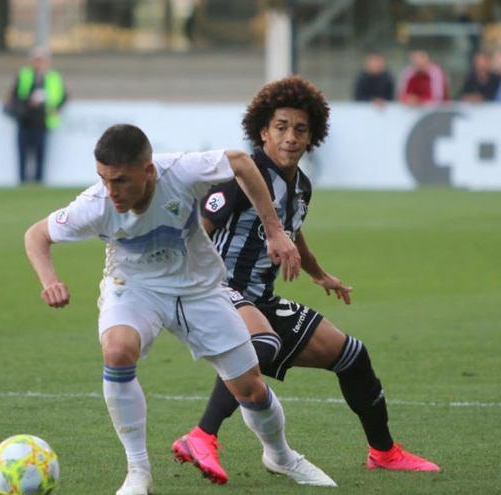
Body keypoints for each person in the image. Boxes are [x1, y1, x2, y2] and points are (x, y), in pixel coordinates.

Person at [24, 124, 337, 495]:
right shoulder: (94, 205)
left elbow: (240, 162)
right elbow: (36, 235)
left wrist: (274, 230)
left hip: (198, 289)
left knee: (250, 389)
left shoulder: (180, 170)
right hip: (135, 289)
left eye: (121, 180)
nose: (111, 191)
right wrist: (49, 281)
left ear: (149, 171)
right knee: (118, 351)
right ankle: (138, 472)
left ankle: (281, 456)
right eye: (103, 179)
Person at [170, 76, 440, 486]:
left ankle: (384, 453)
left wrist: (319, 273)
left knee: (353, 355)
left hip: (260, 299)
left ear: (312, 136)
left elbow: (291, 231)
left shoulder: (301, 187)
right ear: (263, 130)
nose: (290, 137)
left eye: (300, 129)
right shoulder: (243, 176)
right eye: (281, 127)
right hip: (219, 291)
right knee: (258, 345)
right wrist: (184, 286)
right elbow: (201, 226)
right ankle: (202, 436)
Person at [5, 46, 67, 184]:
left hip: (42, 121)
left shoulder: (53, 77)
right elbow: (15, 96)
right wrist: (28, 102)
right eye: (37, 60)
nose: (39, 63)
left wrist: (55, 108)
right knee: (23, 154)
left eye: (42, 60)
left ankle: (38, 182)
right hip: (25, 121)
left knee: (40, 155)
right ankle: (22, 181)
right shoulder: (24, 75)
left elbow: (63, 97)